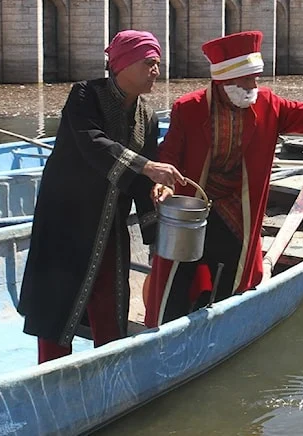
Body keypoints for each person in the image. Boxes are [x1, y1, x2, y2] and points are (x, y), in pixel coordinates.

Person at [143, 30, 303, 327]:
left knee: (230, 271)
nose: (255, 85)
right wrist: (163, 182)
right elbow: (170, 153)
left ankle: (221, 322)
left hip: (239, 209)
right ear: (227, 79)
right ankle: (164, 328)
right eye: (249, 78)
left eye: (256, 77)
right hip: (193, 209)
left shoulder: (267, 104)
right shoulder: (189, 108)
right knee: (178, 272)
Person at [17, 30, 183, 364]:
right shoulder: (84, 96)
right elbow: (92, 143)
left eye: (158, 64)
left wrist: (156, 198)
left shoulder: (147, 116)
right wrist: (148, 166)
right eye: (150, 63)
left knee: (111, 298)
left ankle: (108, 366)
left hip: (110, 225)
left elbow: (140, 180)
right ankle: (52, 373)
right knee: (59, 300)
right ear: (123, 64)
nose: (156, 71)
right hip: (66, 220)